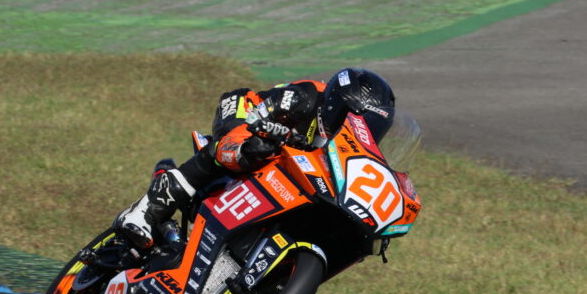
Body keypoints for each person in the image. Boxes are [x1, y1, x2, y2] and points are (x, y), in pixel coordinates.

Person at [115, 67, 395, 248]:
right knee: (248, 150)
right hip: (246, 111)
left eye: (373, 128)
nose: (360, 130)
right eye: (354, 119)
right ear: (335, 105)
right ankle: (146, 211)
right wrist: (260, 134)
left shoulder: (345, 146)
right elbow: (257, 114)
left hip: (284, 160)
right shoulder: (306, 97)